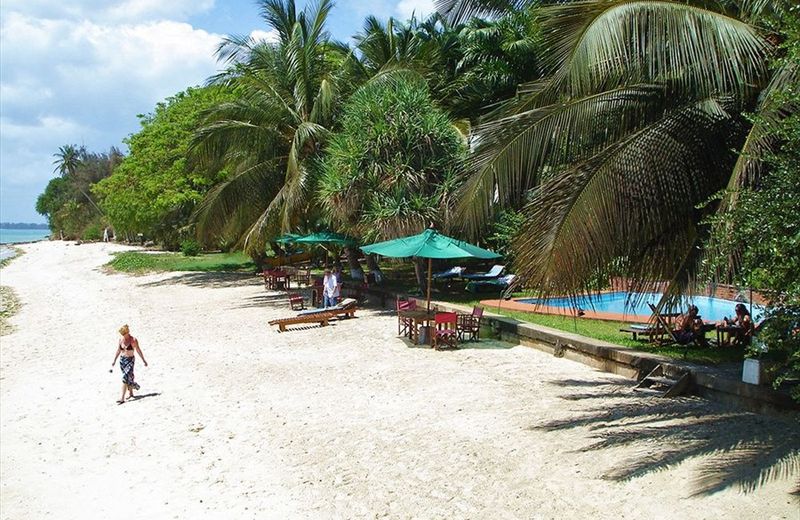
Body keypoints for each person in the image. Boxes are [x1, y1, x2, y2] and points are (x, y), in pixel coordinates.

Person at [111, 324, 148, 404]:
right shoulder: (121, 339)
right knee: (129, 376)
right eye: (122, 334)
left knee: (125, 377)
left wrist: (143, 360)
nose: (123, 335)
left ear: (128, 332)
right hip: (122, 360)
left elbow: (138, 350)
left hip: (130, 360)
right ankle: (131, 393)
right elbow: (118, 350)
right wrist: (114, 360)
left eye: (124, 333)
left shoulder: (133, 340)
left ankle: (122, 398)